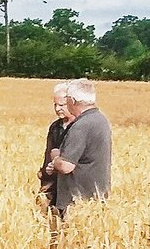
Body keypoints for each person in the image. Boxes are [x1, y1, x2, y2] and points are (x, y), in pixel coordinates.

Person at [46, 78, 112, 217]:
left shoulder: (81, 125)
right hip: (95, 197)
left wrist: (56, 158)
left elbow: (66, 166)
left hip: (77, 201)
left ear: (72, 101)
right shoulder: (101, 119)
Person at [37, 82, 73, 207]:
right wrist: (44, 175)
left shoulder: (79, 127)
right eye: (55, 105)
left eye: (62, 105)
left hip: (71, 185)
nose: (57, 109)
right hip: (52, 183)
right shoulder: (55, 127)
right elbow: (48, 153)